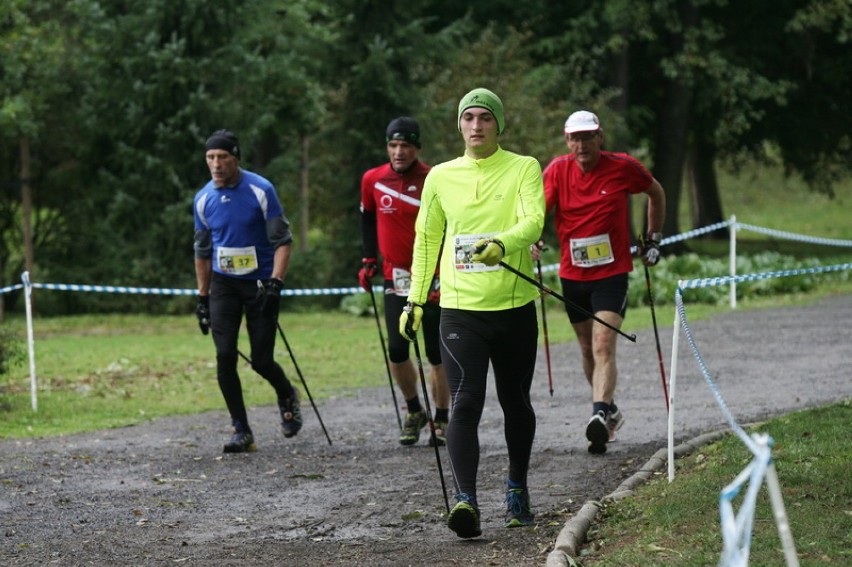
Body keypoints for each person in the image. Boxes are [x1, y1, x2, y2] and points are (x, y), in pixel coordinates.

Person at [399, 88, 545, 538]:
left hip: (514, 308)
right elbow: (427, 241)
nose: (476, 126)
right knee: (465, 403)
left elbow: (534, 220)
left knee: (515, 403)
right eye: (468, 118)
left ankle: (516, 489)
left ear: (499, 124)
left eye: (485, 118)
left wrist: (504, 244)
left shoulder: (524, 167)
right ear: (459, 125)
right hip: (461, 311)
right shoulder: (441, 177)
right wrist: (416, 300)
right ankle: (466, 502)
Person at [540, 110, 665, 454]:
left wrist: (653, 238)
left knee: (602, 345)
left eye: (587, 137)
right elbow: (538, 211)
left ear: (600, 137)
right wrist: (534, 239)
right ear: (567, 141)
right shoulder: (556, 171)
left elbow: (655, 192)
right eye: (574, 138)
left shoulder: (623, 166)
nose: (581, 144)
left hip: (611, 274)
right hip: (572, 275)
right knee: (585, 349)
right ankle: (609, 409)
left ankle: (598, 415)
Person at [193, 129, 302, 454]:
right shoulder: (202, 199)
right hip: (223, 284)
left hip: (259, 282)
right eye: (211, 157)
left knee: (261, 360)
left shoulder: (260, 189)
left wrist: (275, 283)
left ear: (235, 158)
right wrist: (202, 297)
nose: (216, 164)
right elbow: (202, 251)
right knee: (224, 355)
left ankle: (287, 394)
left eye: (222, 157)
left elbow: (283, 241)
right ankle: (241, 428)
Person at [358, 117, 451, 447]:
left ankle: (441, 417)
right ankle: (414, 410)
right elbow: (367, 219)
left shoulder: (433, 178)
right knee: (397, 349)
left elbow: (449, 225)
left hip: (434, 277)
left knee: (435, 352)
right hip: (394, 276)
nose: (399, 152)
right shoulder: (372, 179)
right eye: (393, 145)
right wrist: (369, 259)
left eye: (406, 146)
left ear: (417, 148)